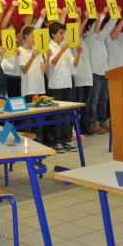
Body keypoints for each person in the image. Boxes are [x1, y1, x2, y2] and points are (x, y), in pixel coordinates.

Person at [47, 21, 81, 152]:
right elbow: (53, 63)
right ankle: (56, 140)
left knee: (67, 113)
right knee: (57, 114)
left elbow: (74, 64)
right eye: (60, 33)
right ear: (53, 34)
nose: (62, 36)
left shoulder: (64, 46)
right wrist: (61, 51)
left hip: (67, 83)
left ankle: (66, 139)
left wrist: (78, 53)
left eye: (63, 33)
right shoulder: (49, 47)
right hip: (56, 85)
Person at [86, 7, 117, 134]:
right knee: (93, 100)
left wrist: (115, 15)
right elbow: (96, 29)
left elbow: (108, 27)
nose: (99, 26)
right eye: (96, 23)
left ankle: (103, 120)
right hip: (95, 72)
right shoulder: (88, 37)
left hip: (105, 71)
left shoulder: (100, 37)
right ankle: (93, 123)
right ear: (90, 27)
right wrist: (102, 14)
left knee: (103, 99)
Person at [74, 11, 94, 136]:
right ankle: (77, 128)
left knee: (86, 104)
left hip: (88, 76)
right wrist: (80, 17)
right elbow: (78, 31)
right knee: (79, 104)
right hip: (79, 77)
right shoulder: (73, 41)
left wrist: (86, 18)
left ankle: (85, 127)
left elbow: (87, 31)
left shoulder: (85, 40)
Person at [19, 27, 50, 101]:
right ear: (26, 36)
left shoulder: (37, 49)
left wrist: (48, 57)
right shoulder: (20, 50)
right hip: (28, 90)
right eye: (33, 36)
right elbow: (24, 70)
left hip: (40, 88)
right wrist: (32, 57)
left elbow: (44, 70)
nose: (35, 38)